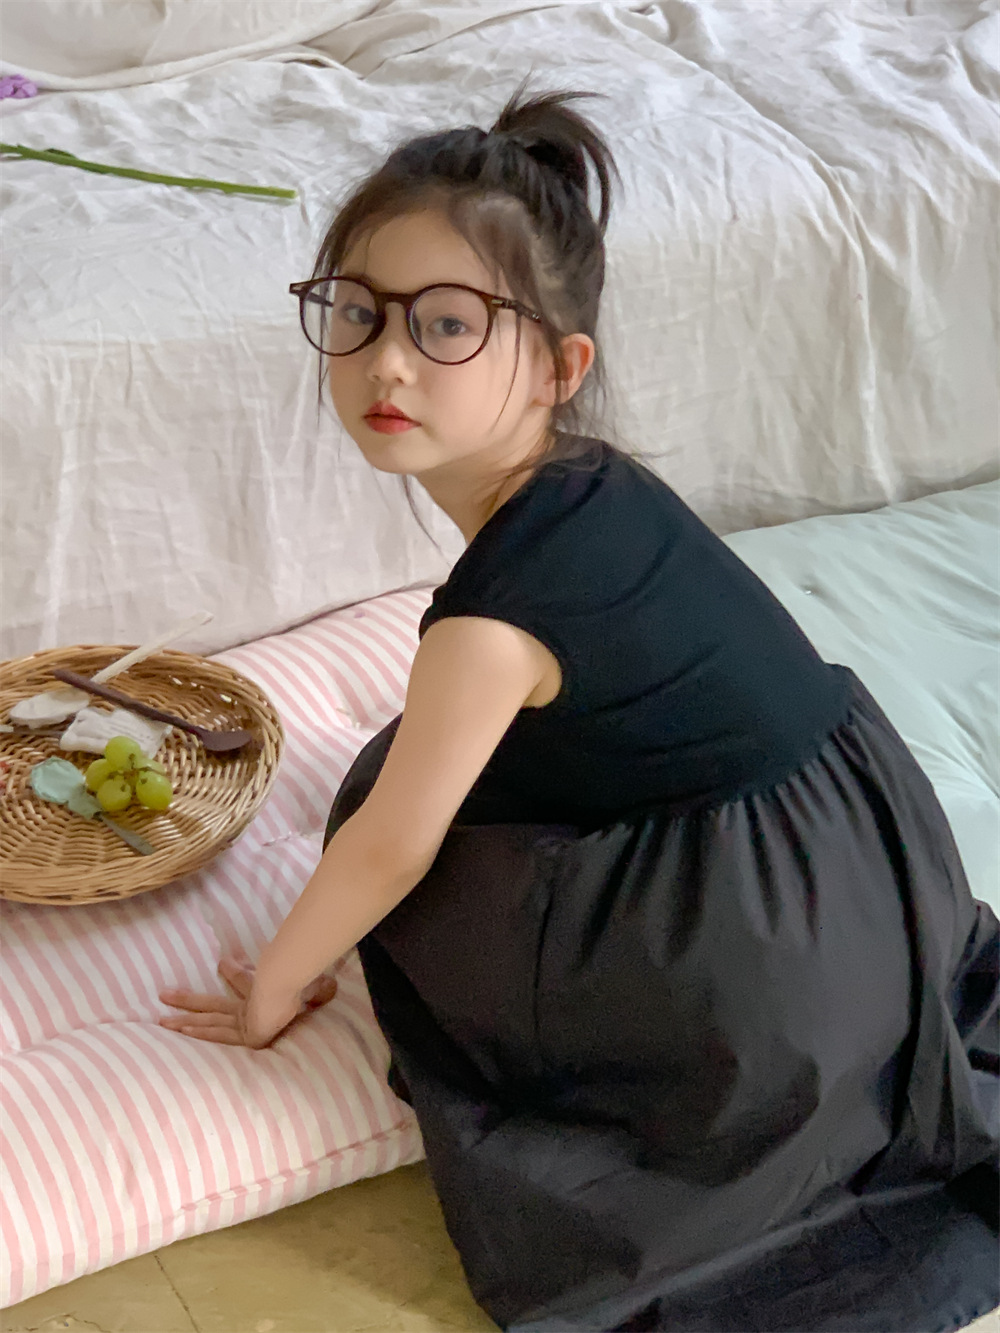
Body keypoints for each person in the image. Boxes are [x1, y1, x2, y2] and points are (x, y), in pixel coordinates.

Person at [159, 84, 998, 1332]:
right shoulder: (590, 483)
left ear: (560, 366)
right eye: (358, 311)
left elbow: (391, 850)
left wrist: (274, 985)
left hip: (769, 980)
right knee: (405, 769)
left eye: (448, 325)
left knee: (398, 828)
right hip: (873, 868)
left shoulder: (493, 625)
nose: (386, 361)